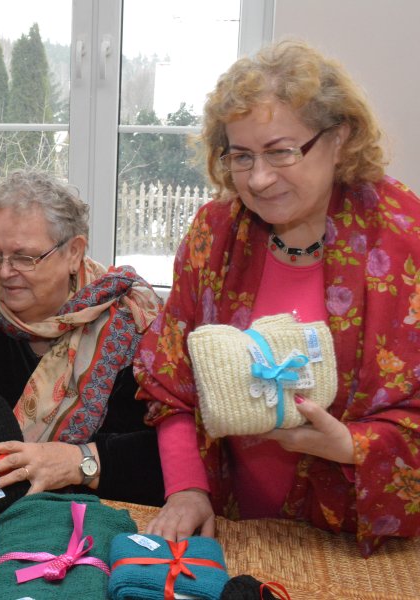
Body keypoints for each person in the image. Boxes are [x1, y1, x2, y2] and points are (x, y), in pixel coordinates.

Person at [133, 39, 420, 556]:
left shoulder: (404, 240)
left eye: (281, 151)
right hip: (230, 528)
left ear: (339, 137)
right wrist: (186, 488)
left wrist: (354, 446)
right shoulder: (215, 233)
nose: (259, 179)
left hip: (358, 545)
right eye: (241, 156)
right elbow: (169, 378)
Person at [0, 169, 166, 505]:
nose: (5, 272)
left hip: (91, 516)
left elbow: (168, 459)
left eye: (24, 258)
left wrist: (79, 461)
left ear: (74, 252)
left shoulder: (128, 327)